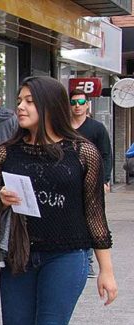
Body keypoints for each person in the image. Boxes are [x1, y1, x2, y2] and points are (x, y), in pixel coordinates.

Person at [0, 76, 118, 325]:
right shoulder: (5, 153)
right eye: (19, 99)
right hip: (20, 254)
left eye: (29, 100)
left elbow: (95, 213)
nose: (21, 107)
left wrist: (106, 270)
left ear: (50, 106)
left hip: (68, 254)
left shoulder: (83, 152)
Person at [69, 88, 112, 278]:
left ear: (87, 105)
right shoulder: (63, 127)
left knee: (91, 219)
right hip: (68, 182)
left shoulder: (96, 128)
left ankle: (88, 260)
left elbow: (106, 155)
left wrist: (104, 180)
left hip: (91, 182)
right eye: (73, 103)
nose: (77, 107)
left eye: (80, 102)